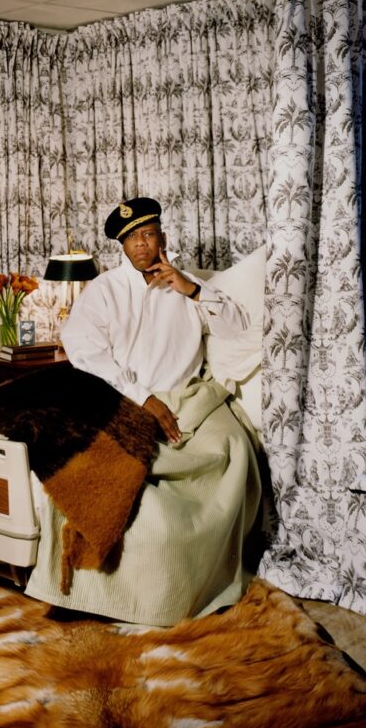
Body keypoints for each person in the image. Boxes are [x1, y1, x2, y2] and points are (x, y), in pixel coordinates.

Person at [25, 196, 262, 625]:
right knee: (121, 486)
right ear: (123, 245)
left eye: (148, 234)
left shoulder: (188, 285)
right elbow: (85, 351)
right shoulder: (105, 290)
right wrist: (141, 398)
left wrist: (190, 289)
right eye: (133, 238)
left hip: (189, 400)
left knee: (235, 447)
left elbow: (240, 330)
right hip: (127, 400)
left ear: (162, 237)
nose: (142, 244)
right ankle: (120, 598)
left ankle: (203, 582)